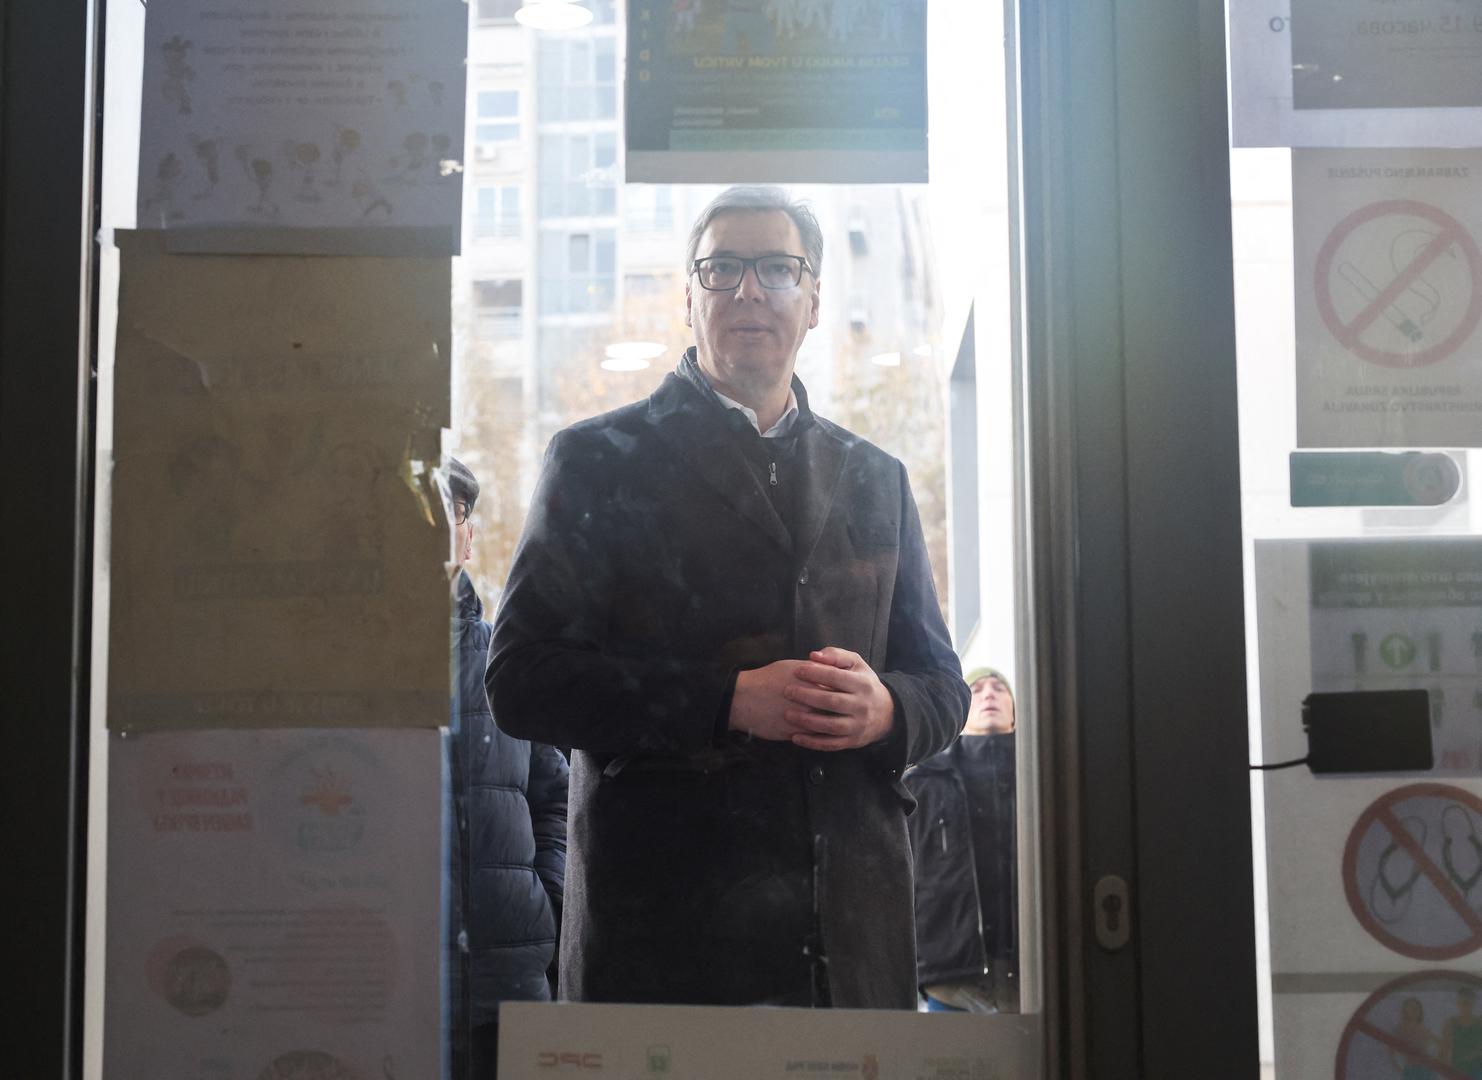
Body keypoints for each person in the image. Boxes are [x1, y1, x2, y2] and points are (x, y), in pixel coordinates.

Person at [486, 186, 968, 1009]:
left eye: (778, 269)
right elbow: (521, 679)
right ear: (689, 297)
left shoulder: (875, 478)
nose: (749, 290)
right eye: (722, 269)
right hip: (667, 937)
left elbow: (944, 689)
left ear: (814, 300)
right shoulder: (597, 459)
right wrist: (728, 701)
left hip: (850, 938)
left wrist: (887, 709)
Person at [445, 457, 568, 1077]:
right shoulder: (342, 672)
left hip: (511, 980)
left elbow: (556, 798)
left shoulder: (508, 663)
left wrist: (548, 899)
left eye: (451, 513)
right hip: (381, 975)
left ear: (467, 537)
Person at [904, 667, 1018, 1014]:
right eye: (977, 689)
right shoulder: (921, 782)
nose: (989, 694)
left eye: (999, 688)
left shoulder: (1046, 773)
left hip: (1039, 967)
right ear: (961, 714)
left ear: (1016, 712)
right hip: (950, 979)